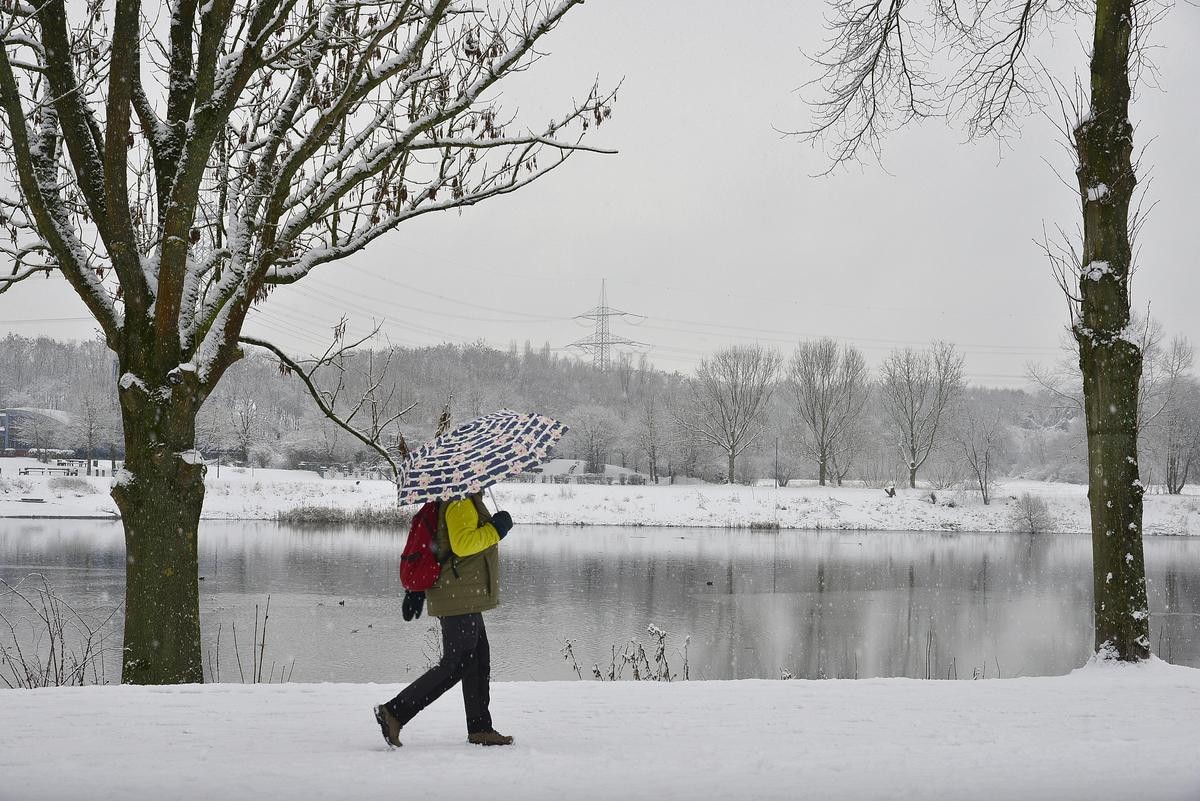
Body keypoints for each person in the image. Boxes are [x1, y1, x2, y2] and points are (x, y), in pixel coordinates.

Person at [374, 492, 514, 748]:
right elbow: (462, 544)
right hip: (458, 591)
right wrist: (496, 529)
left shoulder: (465, 499)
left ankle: (480, 727)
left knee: (478, 658)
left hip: (464, 591)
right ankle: (395, 712)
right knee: (457, 662)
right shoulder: (459, 501)